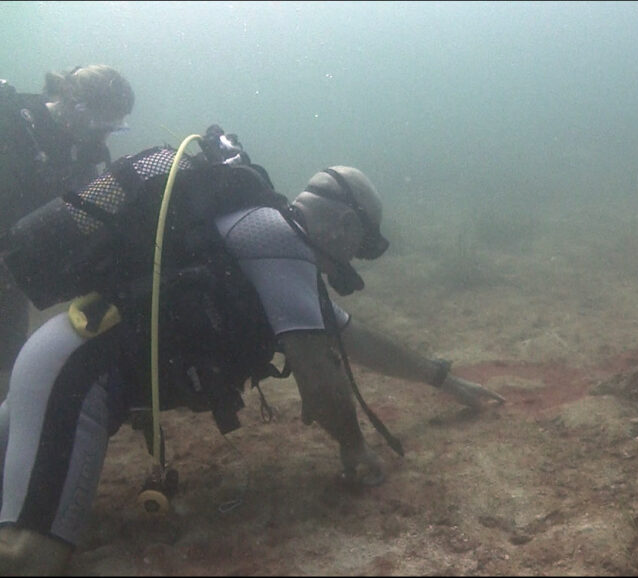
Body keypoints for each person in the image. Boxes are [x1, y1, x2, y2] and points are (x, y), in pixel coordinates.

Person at [0, 136, 505, 574]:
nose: (352, 262)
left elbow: (354, 338)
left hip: (64, 361)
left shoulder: (272, 241)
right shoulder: (279, 242)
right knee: (31, 561)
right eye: (362, 246)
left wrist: (444, 380)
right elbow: (319, 377)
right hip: (76, 380)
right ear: (347, 223)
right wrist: (354, 449)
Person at [0, 64, 134, 381]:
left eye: (113, 129)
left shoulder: (86, 153)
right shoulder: (12, 122)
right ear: (75, 105)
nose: (103, 136)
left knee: (8, 358)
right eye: (100, 125)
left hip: (10, 270)